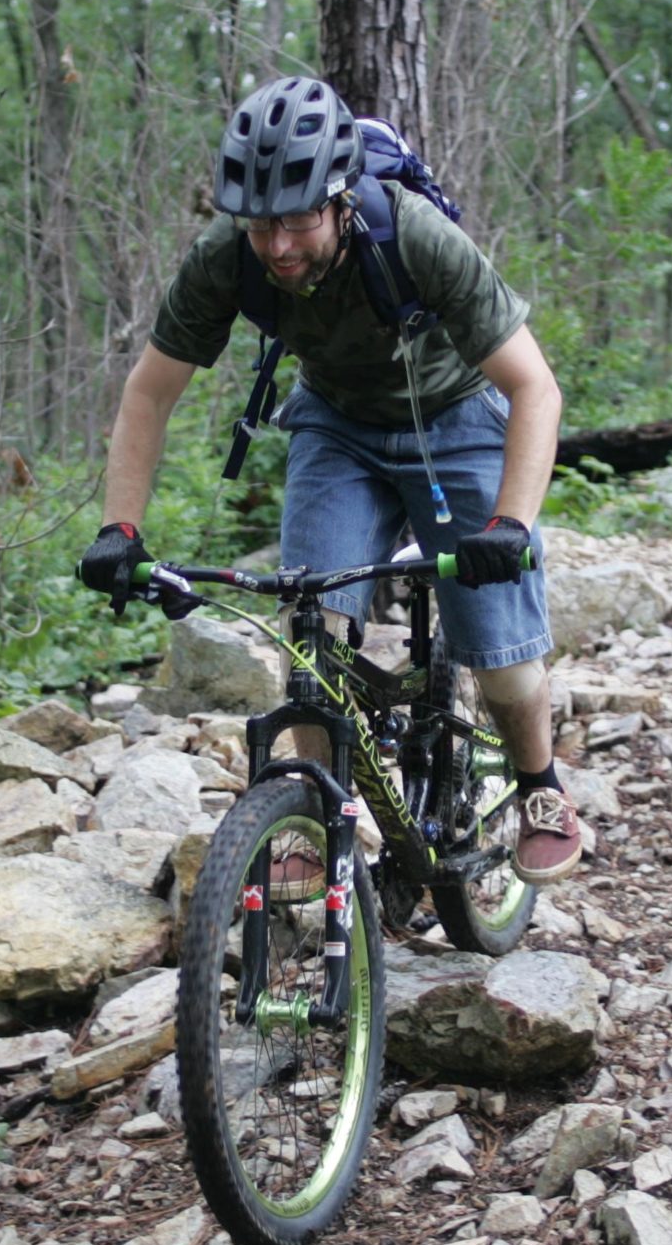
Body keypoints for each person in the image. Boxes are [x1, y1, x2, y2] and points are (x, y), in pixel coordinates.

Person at [77, 75, 584, 884]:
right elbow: (149, 391)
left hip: (452, 416)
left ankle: (539, 784)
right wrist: (120, 530)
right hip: (337, 422)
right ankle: (314, 809)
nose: (278, 246)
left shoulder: (412, 237)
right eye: (260, 223)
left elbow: (535, 387)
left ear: (342, 200)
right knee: (313, 631)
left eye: (298, 219)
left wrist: (511, 526)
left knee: (500, 654)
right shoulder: (225, 260)